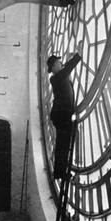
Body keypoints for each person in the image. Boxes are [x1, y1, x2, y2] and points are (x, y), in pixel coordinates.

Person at [47, 51, 82, 179]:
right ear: (53, 67)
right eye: (58, 63)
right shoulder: (55, 78)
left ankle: (60, 172)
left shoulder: (60, 76)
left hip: (62, 116)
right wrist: (78, 56)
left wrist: (71, 59)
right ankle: (60, 172)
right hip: (62, 116)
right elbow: (67, 68)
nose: (60, 63)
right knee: (63, 145)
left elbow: (66, 68)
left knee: (64, 145)